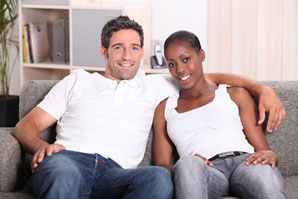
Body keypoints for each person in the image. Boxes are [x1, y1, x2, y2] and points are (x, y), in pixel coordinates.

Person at [13, 16, 284, 199]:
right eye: (118, 47)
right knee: (63, 174)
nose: (127, 56)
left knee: (157, 178)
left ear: (142, 52)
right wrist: (40, 147)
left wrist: (263, 90)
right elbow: (27, 125)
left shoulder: (158, 84)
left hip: (116, 173)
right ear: (103, 51)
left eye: (134, 48)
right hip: (69, 161)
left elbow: (209, 78)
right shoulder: (78, 80)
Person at [153, 30, 286, 199]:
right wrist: (186, 165)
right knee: (188, 162)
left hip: (245, 163)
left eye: (186, 59)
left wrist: (269, 155)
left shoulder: (234, 94)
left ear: (201, 55)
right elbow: (162, 165)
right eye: (172, 64)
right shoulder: (165, 108)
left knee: (263, 175)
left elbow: (263, 150)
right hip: (205, 171)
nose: (179, 69)